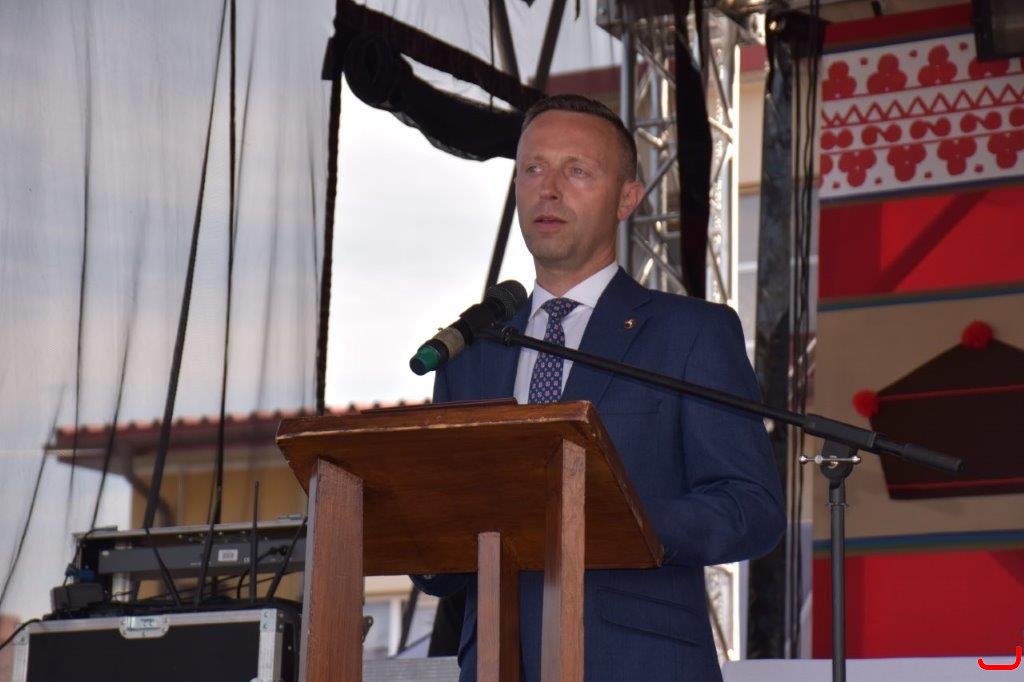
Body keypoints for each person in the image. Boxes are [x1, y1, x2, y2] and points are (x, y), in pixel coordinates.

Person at [414, 94, 784, 681]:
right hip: (496, 665)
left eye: (577, 171)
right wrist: (423, 536)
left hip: (639, 663)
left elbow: (751, 508)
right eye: (533, 169)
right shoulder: (472, 350)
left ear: (627, 198)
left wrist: (615, 518)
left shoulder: (690, 333)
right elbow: (447, 545)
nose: (548, 189)